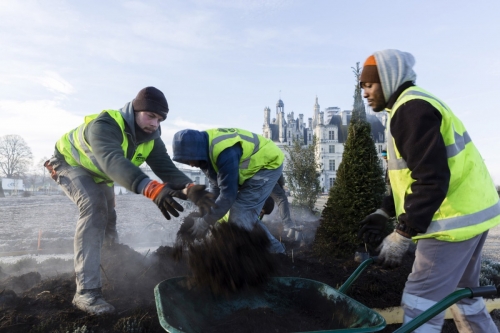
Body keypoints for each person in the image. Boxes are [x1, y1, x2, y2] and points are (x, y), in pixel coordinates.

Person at [357, 49, 500, 332]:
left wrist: (402, 234)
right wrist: (384, 210)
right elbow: (413, 175)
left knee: (420, 300)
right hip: (470, 214)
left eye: (370, 84)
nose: (365, 92)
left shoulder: (410, 110)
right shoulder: (413, 105)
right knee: (464, 295)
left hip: (450, 221)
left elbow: (431, 179)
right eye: (362, 86)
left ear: (388, 79)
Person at [44, 87, 215, 315]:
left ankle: (111, 260)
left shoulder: (152, 139)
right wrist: (152, 189)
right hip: (69, 164)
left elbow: (167, 169)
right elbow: (113, 161)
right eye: (150, 115)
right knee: (95, 208)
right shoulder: (105, 125)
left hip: (99, 174)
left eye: (160, 118)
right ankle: (86, 292)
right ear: (135, 110)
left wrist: (191, 190)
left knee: (109, 216)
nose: (155, 123)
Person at [171, 127, 286, 254]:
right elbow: (216, 188)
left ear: (196, 151)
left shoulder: (224, 152)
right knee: (242, 217)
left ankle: (277, 254)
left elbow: (227, 195)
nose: (191, 164)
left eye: (189, 159)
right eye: (185, 162)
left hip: (267, 164)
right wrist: (203, 214)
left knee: (240, 216)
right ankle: (263, 251)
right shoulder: (204, 154)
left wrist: (204, 223)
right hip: (251, 171)